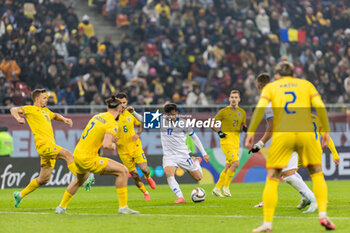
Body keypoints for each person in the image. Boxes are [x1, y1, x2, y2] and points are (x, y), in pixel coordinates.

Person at [245, 61, 336, 232]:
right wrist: (327, 131)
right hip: (306, 133)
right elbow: (320, 107)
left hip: (284, 135)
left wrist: (250, 133)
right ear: (294, 74)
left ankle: (267, 224)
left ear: (277, 76)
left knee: (273, 178)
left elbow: (259, 109)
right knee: (317, 173)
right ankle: (323, 215)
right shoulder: (306, 85)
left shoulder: (272, 88)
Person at [55, 96, 139, 215]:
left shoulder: (97, 116)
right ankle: (123, 207)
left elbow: (96, 134)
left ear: (107, 107)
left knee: (80, 180)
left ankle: (61, 207)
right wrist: (113, 145)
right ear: (120, 110)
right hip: (88, 158)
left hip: (77, 154)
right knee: (123, 171)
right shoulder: (112, 124)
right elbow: (106, 145)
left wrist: (110, 139)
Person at [128, 103, 210, 203]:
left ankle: (196, 161)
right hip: (169, 155)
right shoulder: (161, 119)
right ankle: (180, 197)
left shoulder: (184, 123)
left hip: (183, 154)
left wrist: (204, 153)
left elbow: (195, 138)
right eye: (168, 114)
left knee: (198, 177)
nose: (170, 117)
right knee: (168, 174)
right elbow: (143, 119)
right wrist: (133, 112)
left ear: (177, 113)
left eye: (172, 114)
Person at [10, 89, 79, 208]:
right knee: (68, 154)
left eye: (46, 97)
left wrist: (64, 119)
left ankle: (19, 195)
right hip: (43, 146)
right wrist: (18, 118)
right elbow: (13, 109)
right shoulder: (30, 109)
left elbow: (55, 116)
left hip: (49, 147)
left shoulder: (46, 111)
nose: (47, 99)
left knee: (44, 179)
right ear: (37, 99)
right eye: (44, 98)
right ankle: (81, 177)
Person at [116, 92, 156, 200]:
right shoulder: (112, 117)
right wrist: (113, 139)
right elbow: (107, 133)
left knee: (145, 169)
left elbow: (140, 126)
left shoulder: (131, 113)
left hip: (135, 146)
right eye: (120, 103)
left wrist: (137, 134)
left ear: (127, 102)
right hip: (123, 150)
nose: (122, 105)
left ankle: (148, 177)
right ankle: (145, 193)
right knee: (134, 175)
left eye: (124, 102)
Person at [211, 90, 247, 197]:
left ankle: (217, 189)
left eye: (236, 97)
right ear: (229, 99)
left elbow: (243, 125)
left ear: (239, 99)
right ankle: (226, 187)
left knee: (228, 166)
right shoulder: (223, 111)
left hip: (236, 141)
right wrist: (219, 132)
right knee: (236, 163)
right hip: (226, 141)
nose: (234, 99)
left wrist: (244, 128)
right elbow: (212, 123)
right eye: (232, 97)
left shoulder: (242, 112)